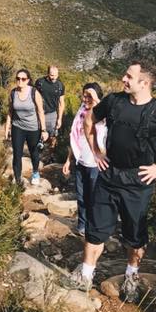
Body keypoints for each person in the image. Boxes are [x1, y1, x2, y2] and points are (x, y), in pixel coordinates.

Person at [62, 60, 156, 301]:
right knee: (95, 229)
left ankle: (131, 276)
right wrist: (96, 151)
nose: (123, 79)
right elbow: (88, 119)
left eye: (129, 77)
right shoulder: (114, 101)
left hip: (138, 183)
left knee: (135, 235)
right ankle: (85, 275)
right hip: (109, 174)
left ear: (144, 83)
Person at [62, 82, 107, 236]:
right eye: (84, 95)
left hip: (96, 164)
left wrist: (96, 100)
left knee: (94, 198)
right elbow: (74, 138)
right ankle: (82, 224)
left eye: (90, 96)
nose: (86, 99)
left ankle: (95, 226)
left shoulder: (103, 114)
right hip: (81, 161)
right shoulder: (80, 112)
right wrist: (69, 160)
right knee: (81, 196)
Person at [5, 69, 48, 185]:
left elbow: (40, 111)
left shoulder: (34, 93)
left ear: (28, 80)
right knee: (17, 154)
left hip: (33, 128)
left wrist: (43, 130)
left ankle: (35, 172)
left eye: (23, 79)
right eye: (18, 78)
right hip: (17, 126)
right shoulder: (13, 93)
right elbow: (10, 111)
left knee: (34, 152)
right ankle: (18, 179)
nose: (20, 81)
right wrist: (7, 128)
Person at [35, 65, 66, 152]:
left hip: (52, 114)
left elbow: (61, 103)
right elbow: (34, 97)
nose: (54, 77)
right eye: (52, 75)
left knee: (52, 136)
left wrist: (59, 119)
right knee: (37, 135)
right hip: (38, 114)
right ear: (48, 73)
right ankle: (36, 153)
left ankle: (50, 155)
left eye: (56, 75)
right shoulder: (40, 82)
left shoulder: (60, 86)